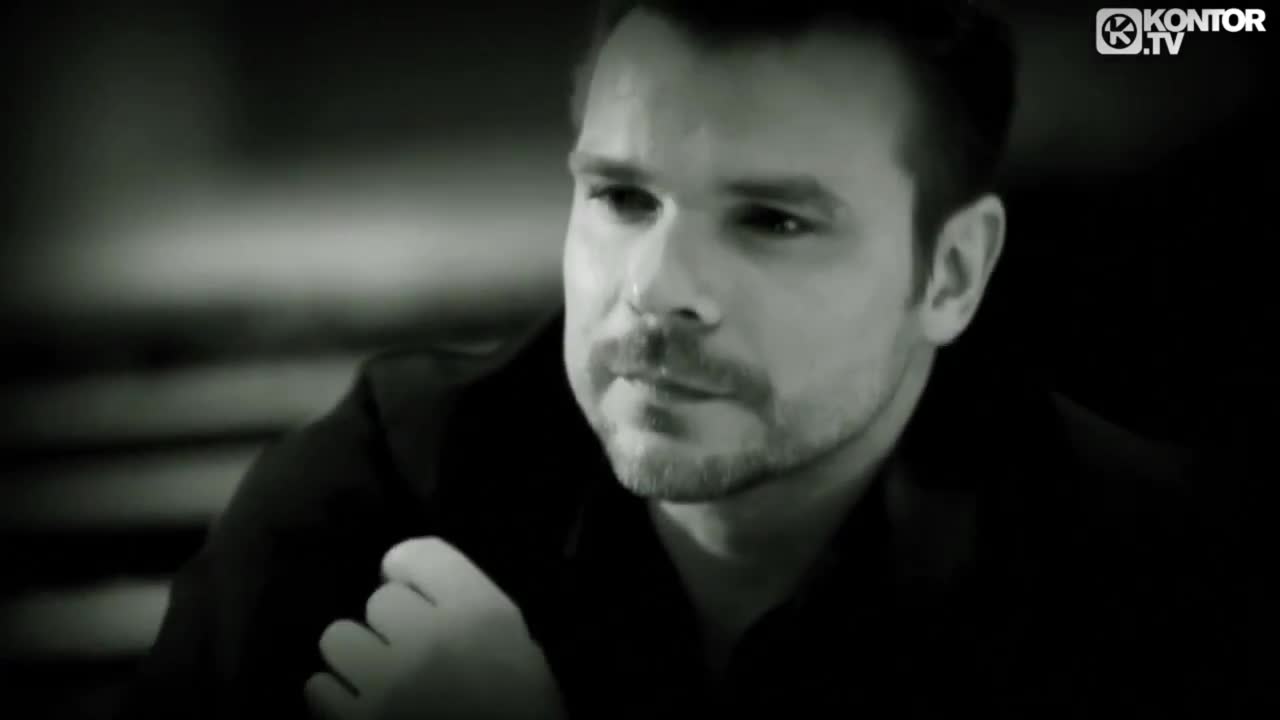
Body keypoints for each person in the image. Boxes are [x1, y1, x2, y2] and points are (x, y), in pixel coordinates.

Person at [114, 1, 1255, 718]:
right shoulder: (376, 496)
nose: (656, 288)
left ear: (950, 274)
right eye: (620, 197)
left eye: (772, 220)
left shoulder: (1148, 578)